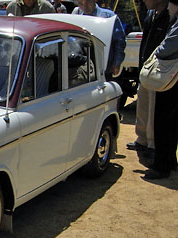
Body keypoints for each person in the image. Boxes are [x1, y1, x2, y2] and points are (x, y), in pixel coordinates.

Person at [126, 0, 171, 157]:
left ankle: (153, 145)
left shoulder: (169, 16)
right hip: (145, 68)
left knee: (154, 107)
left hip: (158, 72)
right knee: (143, 104)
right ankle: (142, 139)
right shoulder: (150, 15)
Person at [143, 0, 178, 179]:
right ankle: (170, 160)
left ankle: (161, 165)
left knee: (163, 122)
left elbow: (167, 48)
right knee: (171, 123)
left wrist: (155, 53)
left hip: (170, 80)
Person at [72, 0, 126, 79]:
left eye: (88, 2)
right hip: (84, 71)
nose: (85, 6)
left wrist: (116, 64)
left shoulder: (108, 17)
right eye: (81, 3)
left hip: (104, 70)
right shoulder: (77, 18)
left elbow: (119, 42)